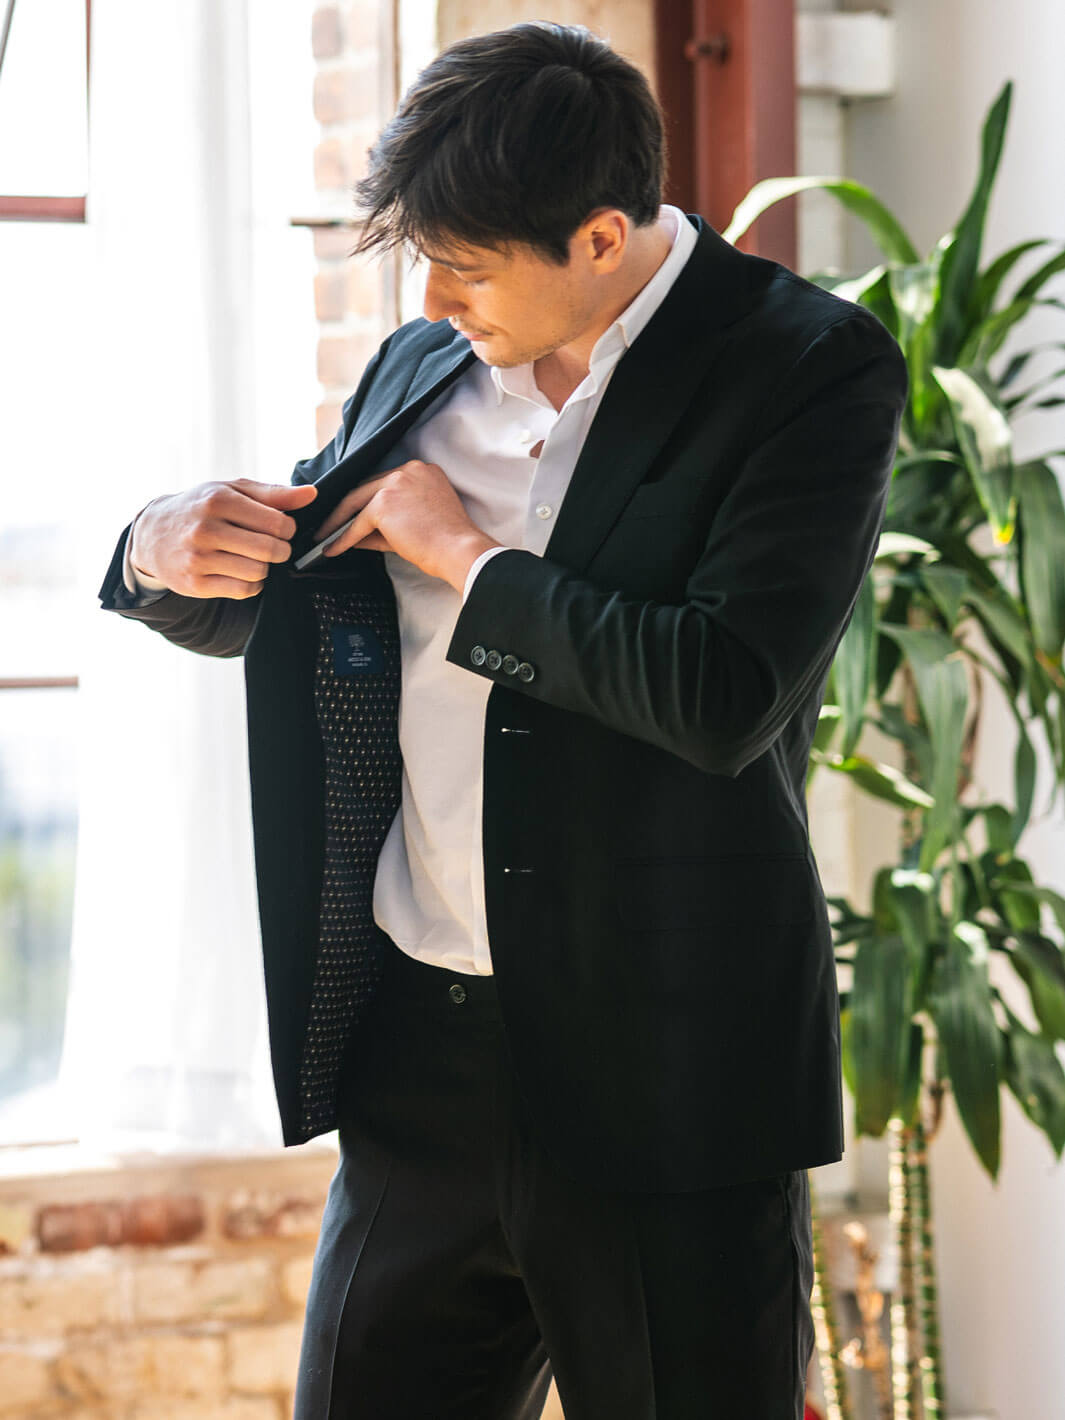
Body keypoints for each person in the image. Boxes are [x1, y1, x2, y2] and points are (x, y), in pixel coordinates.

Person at [98, 21, 908, 1420]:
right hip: (421, 1068)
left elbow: (722, 695)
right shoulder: (424, 363)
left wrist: (470, 564)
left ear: (600, 238)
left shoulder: (808, 370)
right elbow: (307, 589)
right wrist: (160, 553)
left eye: (465, 262)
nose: (434, 291)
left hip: (667, 1082)